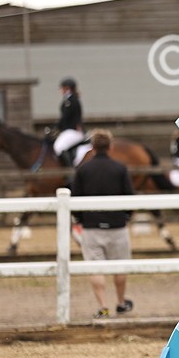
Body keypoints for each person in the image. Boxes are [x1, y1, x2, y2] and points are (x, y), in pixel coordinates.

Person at [71, 129, 135, 318]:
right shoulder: (120, 168)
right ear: (111, 147)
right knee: (120, 266)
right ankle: (121, 302)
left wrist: (81, 219)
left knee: (95, 267)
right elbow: (130, 196)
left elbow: (75, 198)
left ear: (92, 147)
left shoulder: (83, 170)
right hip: (117, 226)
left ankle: (103, 306)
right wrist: (125, 217)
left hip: (92, 227)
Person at [54, 77, 85, 166]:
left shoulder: (71, 100)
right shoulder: (68, 100)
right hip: (68, 130)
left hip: (73, 130)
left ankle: (69, 170)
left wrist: (55, 127)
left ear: (67, 88)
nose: (61, 90)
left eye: (62, 88)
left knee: (58, 147)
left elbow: (65, 117)